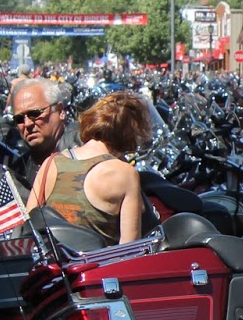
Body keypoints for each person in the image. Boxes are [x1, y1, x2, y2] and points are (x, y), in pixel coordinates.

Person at [27, 91, 153, 247]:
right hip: (98, 268)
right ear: (131, 134)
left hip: (55, 266)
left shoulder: (50, 162)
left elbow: (29, 222)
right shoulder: (125, 173)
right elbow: (130, 247)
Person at [7, 77, 79, 187]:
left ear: (60, 111)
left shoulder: (83, 147)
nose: (27, 123)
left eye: (35, 114)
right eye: (19, 119)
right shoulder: (18, 172)